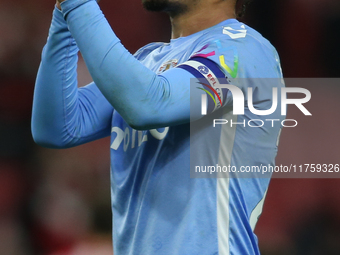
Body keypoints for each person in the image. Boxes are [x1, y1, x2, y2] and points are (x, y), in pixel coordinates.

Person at [31, 0, 284, 254]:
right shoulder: (148, 61)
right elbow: (57, 127)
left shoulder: (243, 49)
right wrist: (63, 16)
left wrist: (79, 3)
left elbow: (150, 104)